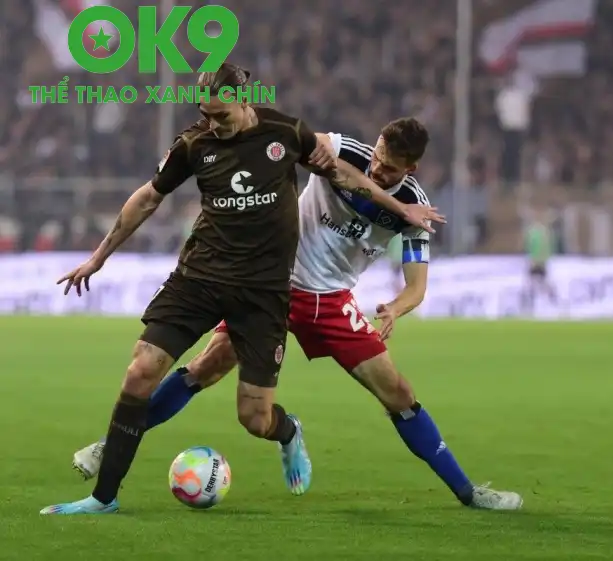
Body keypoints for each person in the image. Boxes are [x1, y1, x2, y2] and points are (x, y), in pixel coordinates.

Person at [41, 65, 443, 515]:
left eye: (221, 115)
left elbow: (345, 176)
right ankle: (105, 495)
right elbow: (149, 196)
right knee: (142, 370)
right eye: (205, 114)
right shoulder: (194, 143)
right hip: (200, 276)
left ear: (243, 100)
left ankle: (286, 430)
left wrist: (400, 211)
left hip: (263, 291)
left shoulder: (285, 133)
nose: (213, 123)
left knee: (254, 416)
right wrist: (98, 257)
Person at [71, 118, 523, 510]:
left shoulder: (414, 208)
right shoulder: (344, 149)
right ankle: (113, 444)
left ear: (411, 169)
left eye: (389, 167)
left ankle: (469, 492)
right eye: (378, 156)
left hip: (331, 301)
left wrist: (396, 309)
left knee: (399, 394)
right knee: (205, 367)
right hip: (269, 287)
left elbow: (417, 287)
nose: (378, 169)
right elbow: (299, 145)